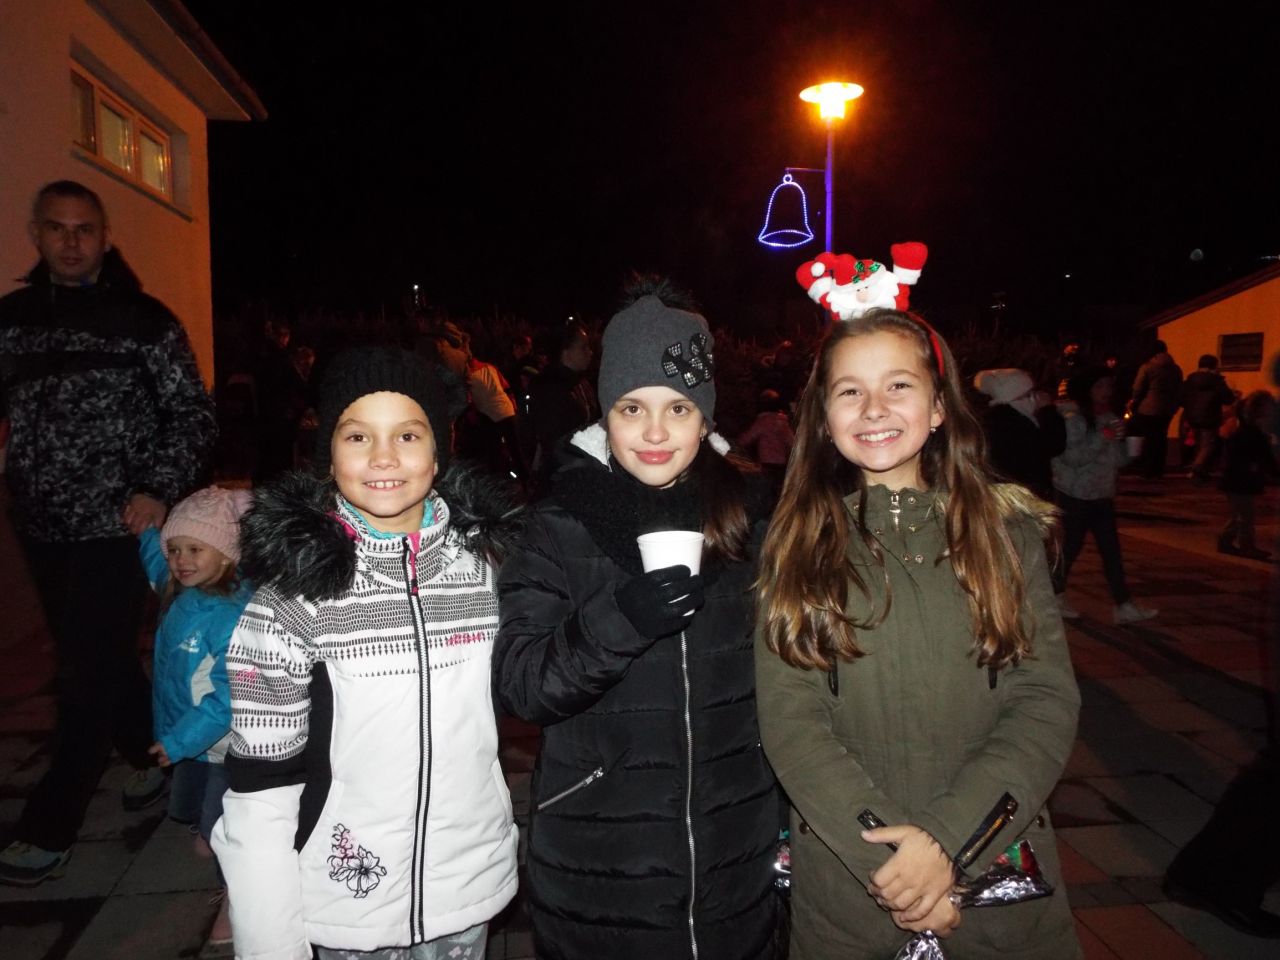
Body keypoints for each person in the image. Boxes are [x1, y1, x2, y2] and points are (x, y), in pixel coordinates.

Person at [753, 308, 1081, 959]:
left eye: (898, 385)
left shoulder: (1005, 537)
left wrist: (946, 843)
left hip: (998, 869)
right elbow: (792, 723)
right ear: (823, 417)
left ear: (937, 407)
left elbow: (1044, 700)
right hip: (853, 884)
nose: (874, 408)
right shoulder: (797, 548)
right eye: (850, 390)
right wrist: (897, 866)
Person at [494, 280, 782, 959]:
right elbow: (521, 686)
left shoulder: (755, 521)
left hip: (734, 863)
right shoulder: (557, 525)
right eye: (632, 408)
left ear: (705, 419)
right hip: (600, 870)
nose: (655, 432)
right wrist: (619, 621)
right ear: (605, 417)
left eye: (678, 407)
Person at [211, 347, 521, 960]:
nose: (384, 457)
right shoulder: (292, 601)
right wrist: (271, 942)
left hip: (466, 887)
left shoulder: (489, 573)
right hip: (345, 904)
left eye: (408, 434)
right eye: (358, 436)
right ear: (328, 455)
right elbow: (260, 785)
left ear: (439, 452)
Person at [0, 180, 217, 886]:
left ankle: (50, 823)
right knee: (98, 660)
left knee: (83, 673)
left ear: (104, 236)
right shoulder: (13, 322)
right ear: (36, 233)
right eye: (57, 228)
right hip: (42, 524)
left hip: (119, 527)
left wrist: (156, 488)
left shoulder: (142, 322)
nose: (71, 241)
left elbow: (193, 414)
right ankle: (151, 750)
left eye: (84, 229)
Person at [140, 486, 254, 947]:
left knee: (218, 821)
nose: (180, 561)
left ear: (226, 554)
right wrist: (147, 532)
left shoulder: (229, 616)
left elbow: (229, 698)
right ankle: (207, 829)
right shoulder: (180, 589)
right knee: (186, 805)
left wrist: (179, 741)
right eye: (175, 550)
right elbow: (155, 566)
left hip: (222, 744)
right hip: (189, 738)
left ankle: (237, 895)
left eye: (194, 550)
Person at [1052, 369, 1157, 624]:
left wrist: (1129, 452)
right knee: (1069, 549)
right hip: (1075, 494)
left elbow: (1113, 460)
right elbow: (1073, 458)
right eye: (1099, 386)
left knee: (1111, 552)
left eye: (1108, 386)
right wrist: (1103, 436)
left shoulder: (1109, 417)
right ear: (1086, 390)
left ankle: (1123, 604)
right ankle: (1055, 596)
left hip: (1102, 494)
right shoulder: (1072, 418)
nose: (1106, 392)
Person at [526, 320, 597, 496]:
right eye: (583, 348)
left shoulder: (580, 382)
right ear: (566, 352)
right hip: (563, 477)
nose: (590, 352)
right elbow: (552, 440)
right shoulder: (549, 387)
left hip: (583, 469)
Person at [973, 367, 1066, 502]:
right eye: (1029, 394)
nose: (1035, 398)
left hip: (1011, 494)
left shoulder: (999, 418)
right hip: (1021, 496)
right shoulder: (1011, 423)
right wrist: (1048, 410)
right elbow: (1053, 445)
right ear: (1016, 397)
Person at [1216, 390, 1278, 559]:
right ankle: (1246, 546)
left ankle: (1225, 541)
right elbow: (1264, 459)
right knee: (1245, 516)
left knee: (1240, 515)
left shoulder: (1244, 432)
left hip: (1237, 480)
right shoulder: (1252, 434)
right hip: (1241, 481)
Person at [1128, 340, 1184, 479]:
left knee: (1149, 438)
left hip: (1148, 407)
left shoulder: (1147, 367)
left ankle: (1148, 469)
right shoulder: (1176, 368)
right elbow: (1179, 388)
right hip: (1167, 408)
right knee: (1161, 437)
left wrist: (1134, 400)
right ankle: (1158, 468)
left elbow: (1138, 388)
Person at [1180, 354, 1235, 481]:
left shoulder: (1189, 380)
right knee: (1208, 445)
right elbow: (1228, 399)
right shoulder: (1217, 381)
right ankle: (1196, 469)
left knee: (1198, 444)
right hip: (1209, 416)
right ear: (1213, 367)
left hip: (1191, 416)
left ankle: (1201, 471)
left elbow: (1180, 398)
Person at [737, 388, 796, 502]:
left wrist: (735, 445)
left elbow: (747, 438)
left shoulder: (763, 421)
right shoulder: (783, 422)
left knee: (767, 493)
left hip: (767, 465)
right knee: (779, 494)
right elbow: (791, 442)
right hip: (781, 466)